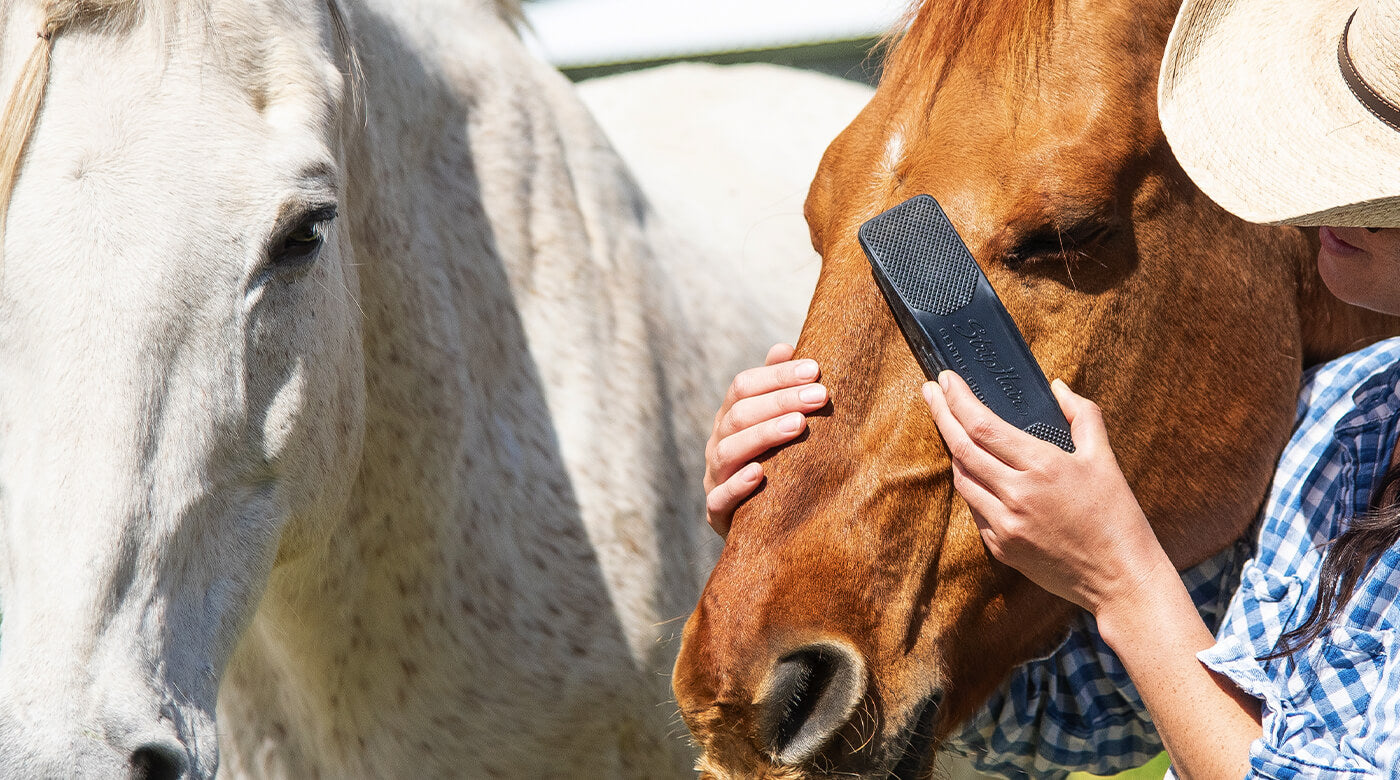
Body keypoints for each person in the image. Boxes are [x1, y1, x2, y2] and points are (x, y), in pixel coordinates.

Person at [702, 0, 1400, 775]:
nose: (1310, 185)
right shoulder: (1351, 416)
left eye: (1369, 163)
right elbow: (1090, 713)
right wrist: (790, 517)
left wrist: (1124, 580)